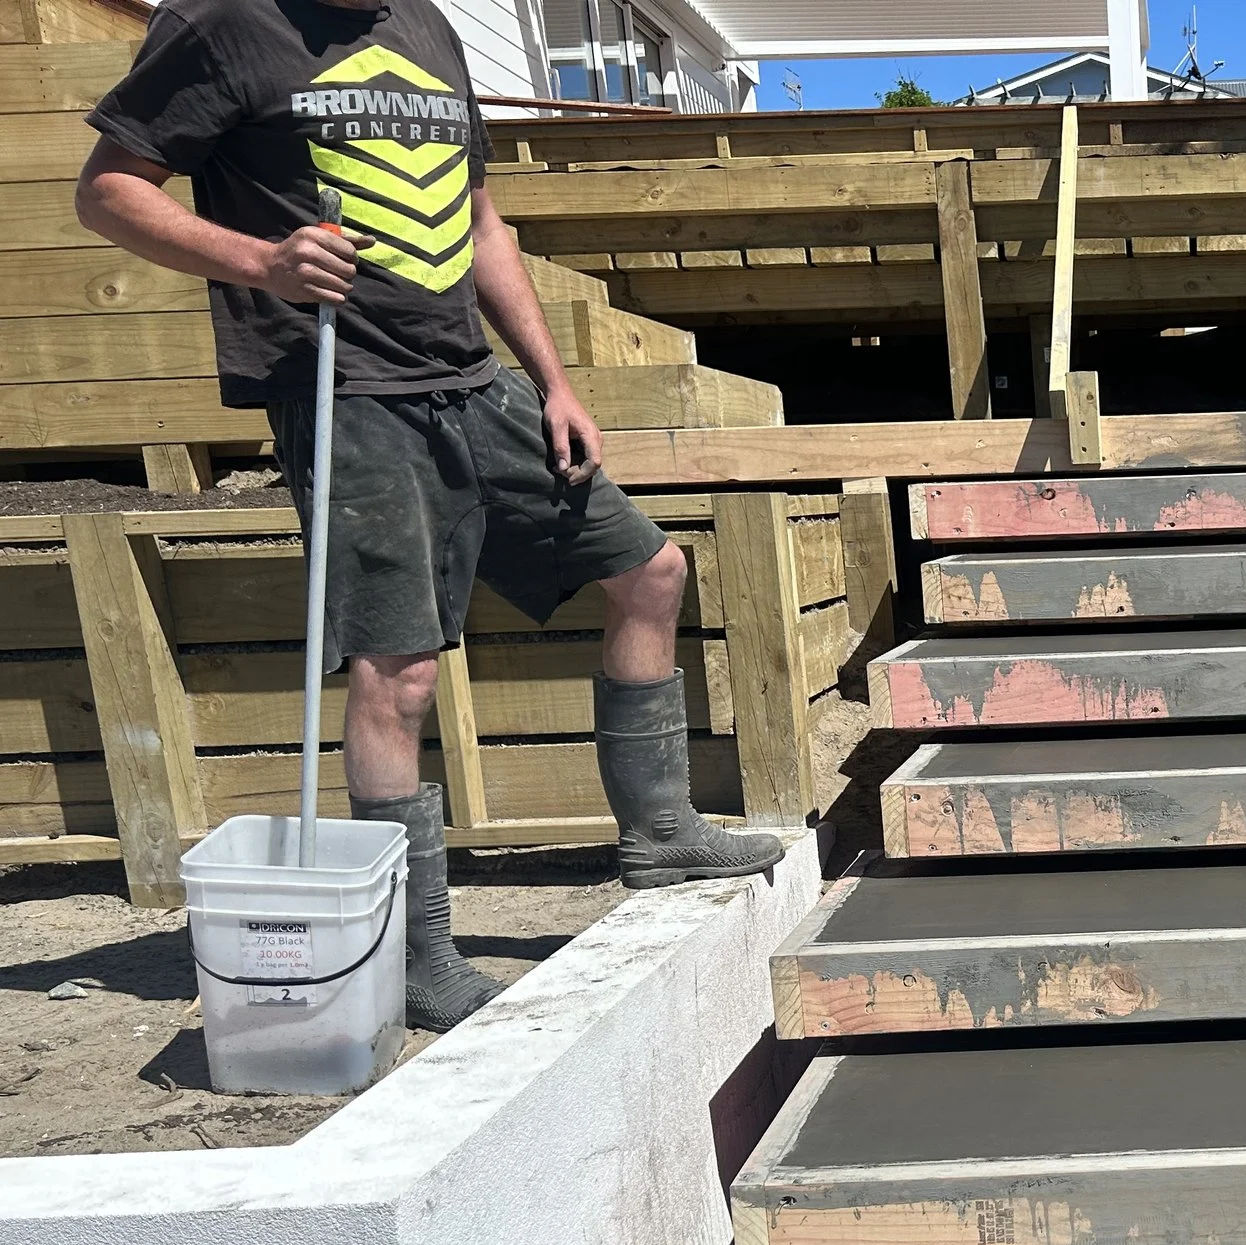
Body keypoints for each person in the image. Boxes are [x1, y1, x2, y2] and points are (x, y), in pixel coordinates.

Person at [74, 0, 783, 1032]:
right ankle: (414, 956)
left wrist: (554, 381)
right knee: (397, 669)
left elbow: (481, 222)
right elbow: (108, 190)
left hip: (472, 380)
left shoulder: (426, 27)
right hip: (346, 391)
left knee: (649, 572)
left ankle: (661, 832)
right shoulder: (224, 21)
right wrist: (261, 263)